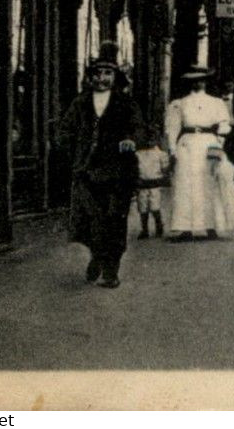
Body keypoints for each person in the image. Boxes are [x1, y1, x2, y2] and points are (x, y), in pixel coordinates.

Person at [55, 46, 143, 288]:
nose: (102, 78)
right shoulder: (80, 102)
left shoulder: (125, 103)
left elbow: (139, 128)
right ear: (90, 77)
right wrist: (73, 149)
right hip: (86, 172)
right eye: (97, 73)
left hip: (117, 173)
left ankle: (110, 271)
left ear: (115, 78)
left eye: (107, 73)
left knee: (115, 220)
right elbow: (63, 131)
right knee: (90, 221)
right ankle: (96, 256)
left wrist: (131, 140)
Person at [165, 67, 234, 239]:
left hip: (209, 144)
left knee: (209, 184)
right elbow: (172, 129)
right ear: (189, 83)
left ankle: (212, 225)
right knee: (186, 185)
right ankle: (185, 227)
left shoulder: (216, 102)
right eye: (194, 80)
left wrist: (219, 143)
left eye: (201, 80)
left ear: (205, 82)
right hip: (187, 144)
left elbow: (225, 124)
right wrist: (172, 149)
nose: (198, 83)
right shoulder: (179, 103)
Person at [134, 129, 169, 239]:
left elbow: (164, 168)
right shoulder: (137, 154)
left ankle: (159, 225)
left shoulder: (160, 154)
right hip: (142, 184)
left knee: (155, 206)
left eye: (152, 139)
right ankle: (144, 229)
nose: (149, 142)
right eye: (147, 139)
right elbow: (134, 169)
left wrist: (164, 175)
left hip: (154, 183)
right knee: (143, 207)